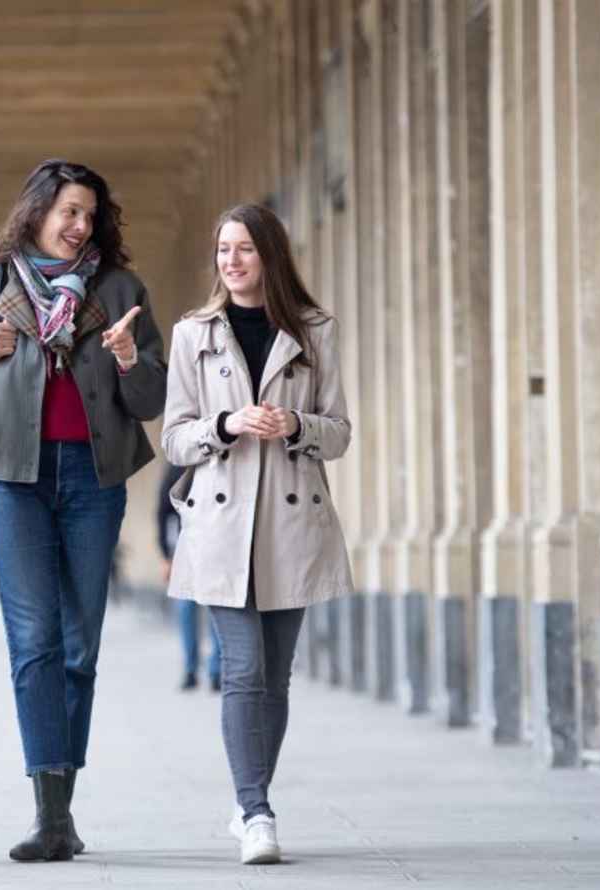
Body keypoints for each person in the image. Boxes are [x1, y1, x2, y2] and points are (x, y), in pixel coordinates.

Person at [0, 158, 166, 863]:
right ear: (36, 210)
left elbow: (154, 401)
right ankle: (48, 812)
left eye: (91, 215)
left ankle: (62, 811)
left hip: (94, 480)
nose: (80, 226)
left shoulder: (120, 290)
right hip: (16, 478)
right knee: (35, 639)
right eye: (69, 211)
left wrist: (131, 358)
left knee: (80, 646)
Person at [160, 203, 353, 866]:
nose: (232, 262)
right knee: (241, 670)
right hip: (221, 520)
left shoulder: (314, 331)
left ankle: (252, 796)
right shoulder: (194, 335)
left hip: (293, 522)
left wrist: (295, 427)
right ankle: (255, 811)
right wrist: (226, 426)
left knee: (275, 678)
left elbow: (341, 433)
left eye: (244, 249)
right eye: (222, 250)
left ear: (270, 255)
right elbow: (176, 438)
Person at [157, 462, 221, 691]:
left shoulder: (219, 463)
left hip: (216, 549)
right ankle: (191, 669)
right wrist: (165, 556)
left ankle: (216, 671)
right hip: (184, 553)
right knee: (185, 610)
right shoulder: (176, 467)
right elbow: (163, 513)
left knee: (217, 609)